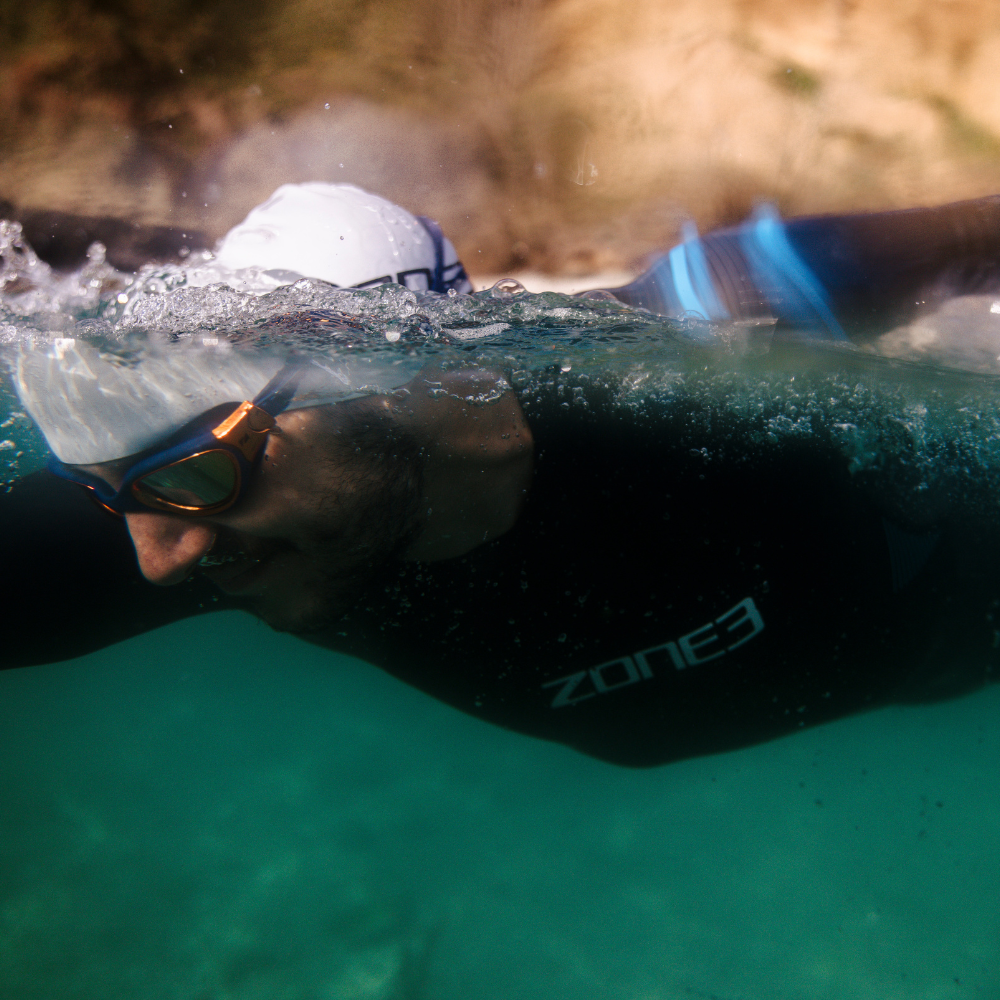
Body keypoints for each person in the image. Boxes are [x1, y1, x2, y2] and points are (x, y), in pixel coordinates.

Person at [3, 183, 1000, 767]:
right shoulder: (248, 538)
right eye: (110, 494)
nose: (160, 560)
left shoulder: (708, 326)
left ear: (383, 384)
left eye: (192, 476)